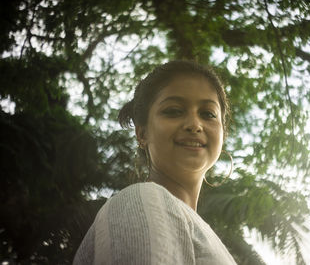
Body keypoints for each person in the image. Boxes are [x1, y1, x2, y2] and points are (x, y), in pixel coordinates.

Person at [73, 60, 237, 264]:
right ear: (142, 133)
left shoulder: (200, 229)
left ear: (223, 133)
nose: (195, 125)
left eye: (208, 114)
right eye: (174, 110)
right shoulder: (143, 200)